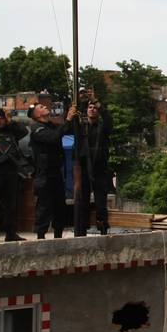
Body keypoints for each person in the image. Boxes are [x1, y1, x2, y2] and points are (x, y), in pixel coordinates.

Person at [28, 101, 77, 239]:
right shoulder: (37, 129)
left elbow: (66, 129)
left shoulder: (51, 126)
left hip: (56, 172)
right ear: (36, 115)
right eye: (41, 107)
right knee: (44, 206)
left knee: (59, 206)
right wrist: (67, 119)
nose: (45, 106)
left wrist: (72, 112)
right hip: (43, 174)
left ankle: (58, 236)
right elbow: (54, 138)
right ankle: (41, 237)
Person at [0, 109, 29, 243]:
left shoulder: (12, 131)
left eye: (1, 118)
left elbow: (24, 131)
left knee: (10, 205)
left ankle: (10, 233)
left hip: (11, 172)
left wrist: (11, 121)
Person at [74, 89, 112, 236]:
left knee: (101, 203)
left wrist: (96, 101)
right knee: (82, 202)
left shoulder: (103, 127)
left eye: (95, 108)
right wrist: (78, 97)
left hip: (99, 168)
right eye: (90, 107)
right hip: (83, 168)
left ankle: (102, 228)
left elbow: (108, 119)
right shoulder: (81, 126)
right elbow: (70, 116)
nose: (92, 110)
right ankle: (81, 230)